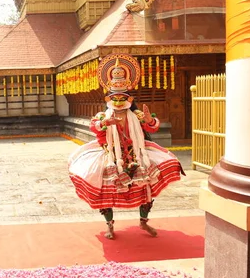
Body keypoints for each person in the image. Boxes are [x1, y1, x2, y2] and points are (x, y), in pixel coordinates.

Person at [68, 53, 183, 240]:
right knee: (104, 189)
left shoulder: (136, 115)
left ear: (129, 99)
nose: (119, 101)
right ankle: (109, 224)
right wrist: (107, 124)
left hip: (137, 154)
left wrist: (149, 119)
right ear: (108, 99)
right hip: (111, 156)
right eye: (116, 98)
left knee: (147, 186)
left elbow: (152, 127)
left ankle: (143, 221)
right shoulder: (102, 116)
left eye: (123, 98)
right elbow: (95, 128)